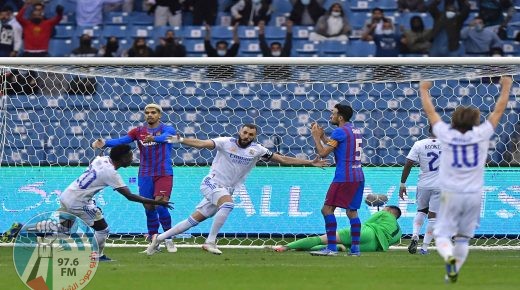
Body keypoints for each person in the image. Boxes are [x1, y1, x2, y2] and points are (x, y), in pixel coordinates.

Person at [146, 123, 329, 255]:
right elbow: (201, 143)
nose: (247, 136)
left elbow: (282, 159)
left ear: (254, 137)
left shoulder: (257, 150)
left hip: (226, 188)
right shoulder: (225, 142)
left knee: (193, 220)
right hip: (212, 183)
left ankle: (159, 239)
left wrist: (310, 162)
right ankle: (210, 241)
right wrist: (179, 139)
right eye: (245, 132)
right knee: (228, 205)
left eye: (251, 134)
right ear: (239, 132)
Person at [419, 75, 513, 283]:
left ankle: (449, 258)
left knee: (442, 235)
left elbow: (430, 112)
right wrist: (506, 86)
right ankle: (451, 272)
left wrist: (424, 90)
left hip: (450, 193)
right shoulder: (482, 133)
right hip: (474, 195)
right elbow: (498, 110)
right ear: (476, 121)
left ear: (453, 121)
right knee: (463, 238)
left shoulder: (445, 133)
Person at [58, 144, 173, 261]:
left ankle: (51, 246)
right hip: (79, 202)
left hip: (66, 195)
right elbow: (130, 196)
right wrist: (156, 202)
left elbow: (99, 157)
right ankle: (97, 256)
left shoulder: (101, 159)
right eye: (130, 156)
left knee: (66, 229)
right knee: (102, 229)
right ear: (123, 159)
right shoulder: (111, 173)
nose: (132, 159)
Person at [91, 103, 177, 253]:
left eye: (153, 112)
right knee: (148, 206)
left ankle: (169, 238)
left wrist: (154, 139)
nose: (150, 115)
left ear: (159, 115)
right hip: (145, 173)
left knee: (160, 204)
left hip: (163, 172)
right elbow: (121, 141)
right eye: (147, 112)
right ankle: (153, 240)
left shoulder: (167, 129)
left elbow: (167, 138)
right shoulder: (138, 131)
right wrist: (104, 143)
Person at [309, 103, 364, 256]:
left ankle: (331, 248)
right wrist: (323, 137)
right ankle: (355, 249)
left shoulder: (339, 132)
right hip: (358, 176)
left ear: (340, 117)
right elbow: (338, 144)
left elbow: (323, 153)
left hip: (344, 176)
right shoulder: (354, 130)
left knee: (326, 209)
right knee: (352, 212)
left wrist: (316, 138)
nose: (330, 116)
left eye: (333, 113)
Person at [273, 206, 402, 253]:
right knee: (341, 247)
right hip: (373, 247)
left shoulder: (385, 213)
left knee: (321, 239)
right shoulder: (399, 232)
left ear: (390, 211)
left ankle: (286, 247)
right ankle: (339, 247)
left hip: (367, 233)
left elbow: (365, 223)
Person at [399, 125, 441, 255]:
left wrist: (402, 184)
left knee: (421, 210)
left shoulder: (419, 144)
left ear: (429, 131)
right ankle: (424, 248)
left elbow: (408, 163)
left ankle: (415, 235)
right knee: (434, 217)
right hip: (440, 185)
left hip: (423, 184)